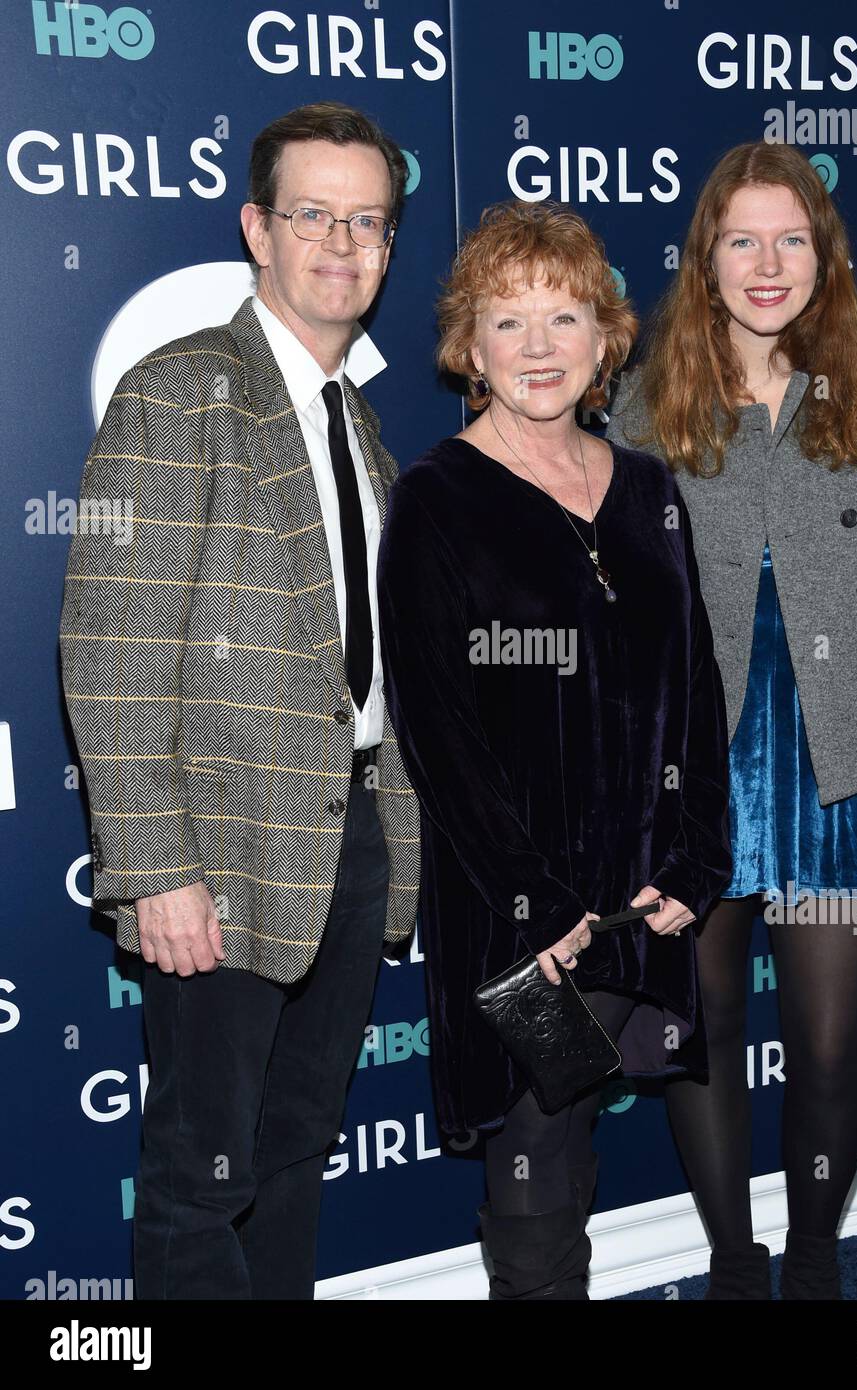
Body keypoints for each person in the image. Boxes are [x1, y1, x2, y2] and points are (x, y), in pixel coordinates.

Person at [58, 102, 420, 1299]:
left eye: (367, 220)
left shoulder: (356, 419)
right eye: (314, 213)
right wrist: (156, 867)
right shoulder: (182, 392)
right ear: (256, 228)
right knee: (200, 1176)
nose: (342, 242)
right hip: (218, 854)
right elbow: (110, 649)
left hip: (347, 835)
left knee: (291, 1156)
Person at [608, 140, 857, 1299]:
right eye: (740, 239)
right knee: (702, 1027)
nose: (766, 265)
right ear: (702, 256)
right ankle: (730, 1261)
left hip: (844, 762)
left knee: (824, 1043)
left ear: (823, 254)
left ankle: (812, 1260)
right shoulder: (643, 397)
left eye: (790, 239)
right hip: (695, 769)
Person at [377, 200, 733, 1301]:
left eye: (563, 317)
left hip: (639, 900)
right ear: (467, 348)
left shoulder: (647, 490)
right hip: (521, 919)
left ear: (603, 338)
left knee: (577, 1138)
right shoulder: (437, 501)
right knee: (532, 1163)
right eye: (507, 321)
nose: (538, 346)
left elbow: (694, 684)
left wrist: (695, 860)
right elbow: (435, 731)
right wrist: (536, 904)